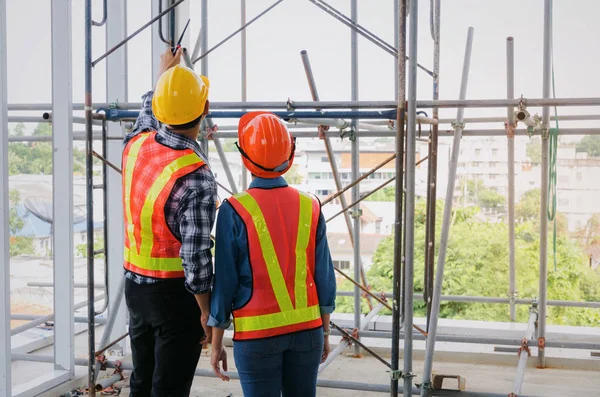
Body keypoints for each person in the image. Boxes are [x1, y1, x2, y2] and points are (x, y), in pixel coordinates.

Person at [208, 111, 337, 397]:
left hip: (256, 337)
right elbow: (324, 278)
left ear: (245, 156)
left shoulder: (234, 210)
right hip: (308, 333)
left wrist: (216, 342)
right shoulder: (310, 206)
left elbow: (225, 283)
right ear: (288, 155)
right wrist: (325, 332)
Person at [122, 47, 218, 397]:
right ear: (205, 109)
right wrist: (206, 312)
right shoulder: (196, 175)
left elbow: (149, 113)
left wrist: (164, 75)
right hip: (175, 297)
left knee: (142, 382)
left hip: (135, 289)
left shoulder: (136, 144)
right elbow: (195, 257)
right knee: (169, 388)